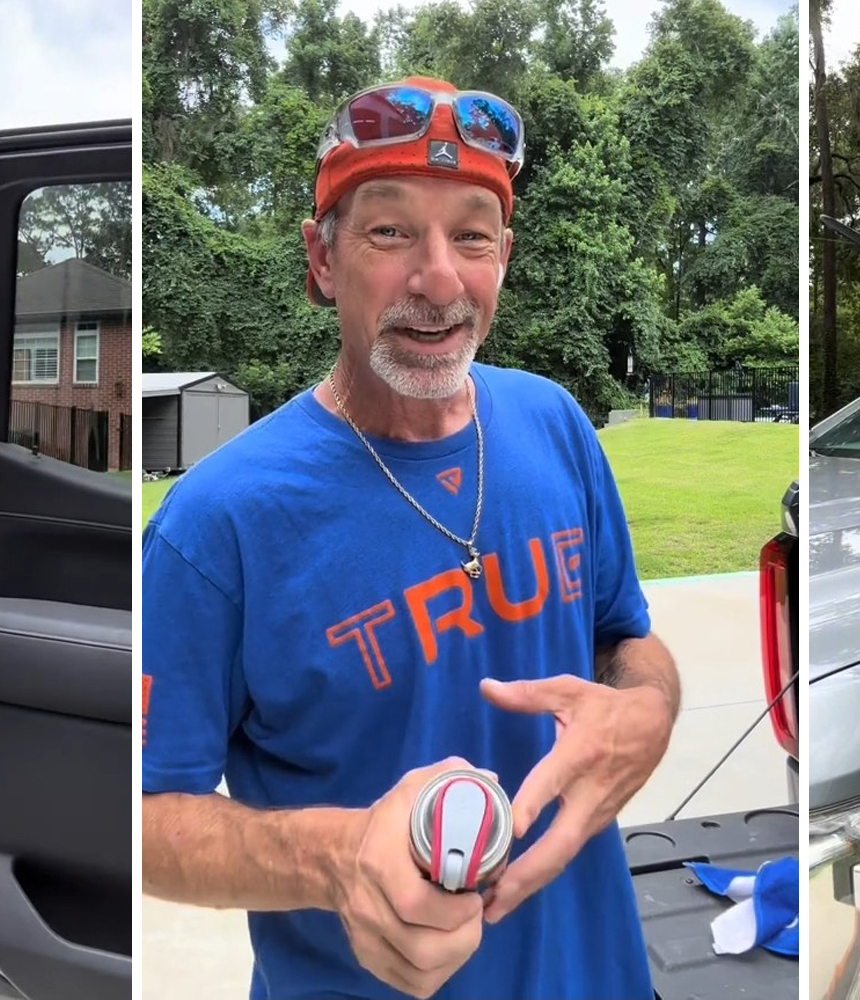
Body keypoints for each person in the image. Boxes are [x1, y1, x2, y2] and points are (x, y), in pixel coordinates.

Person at [140, 76, 682, 1000]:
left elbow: (624, 639)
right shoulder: (215, 524)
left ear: (503, 257)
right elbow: (145, 820)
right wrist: (334, 858)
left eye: (471, 235)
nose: (439, 279)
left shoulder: (555, 425)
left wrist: (652, 708)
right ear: (321, 260)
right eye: (390, 232)